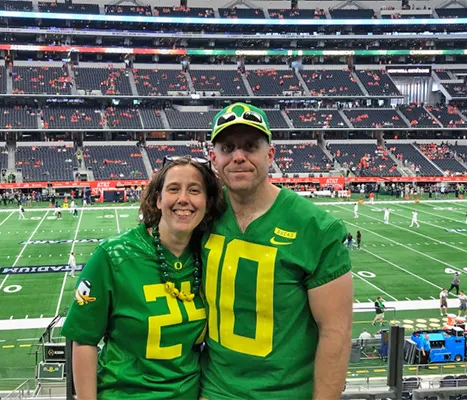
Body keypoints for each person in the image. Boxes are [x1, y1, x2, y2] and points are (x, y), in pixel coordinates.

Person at [202, 103, 353, 400]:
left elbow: (335, 334)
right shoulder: (201, 214)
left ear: (270, 154)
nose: (239, 156)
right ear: (213, 158)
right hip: (214, 390)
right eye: (228, 147)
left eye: (250, 146)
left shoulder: (317, 228)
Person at [61, 156, 225, 399]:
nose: (183, 199)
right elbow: (84, 339)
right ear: (158, 199)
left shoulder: (209, 255)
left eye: (194, 190)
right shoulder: (113, 255)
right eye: (173, 189)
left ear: (208, 202)